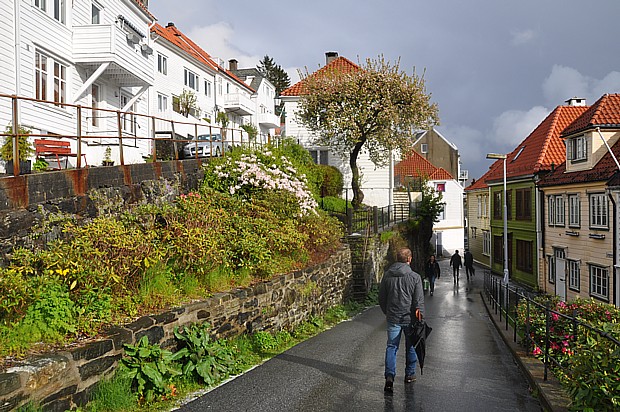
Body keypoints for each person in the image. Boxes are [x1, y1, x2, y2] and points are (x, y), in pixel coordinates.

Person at [378, 248, 425, 393]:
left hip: (393, 317)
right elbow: (418, 301)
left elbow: (382, 298)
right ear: (409, 259)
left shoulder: (387, 275)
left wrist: (387, 311)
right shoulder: (414, 277)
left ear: (397, 259)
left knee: (392, 347)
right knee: (411, 346)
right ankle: (409, 374)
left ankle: (390, 377)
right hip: (409, 318)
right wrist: (420, 317)